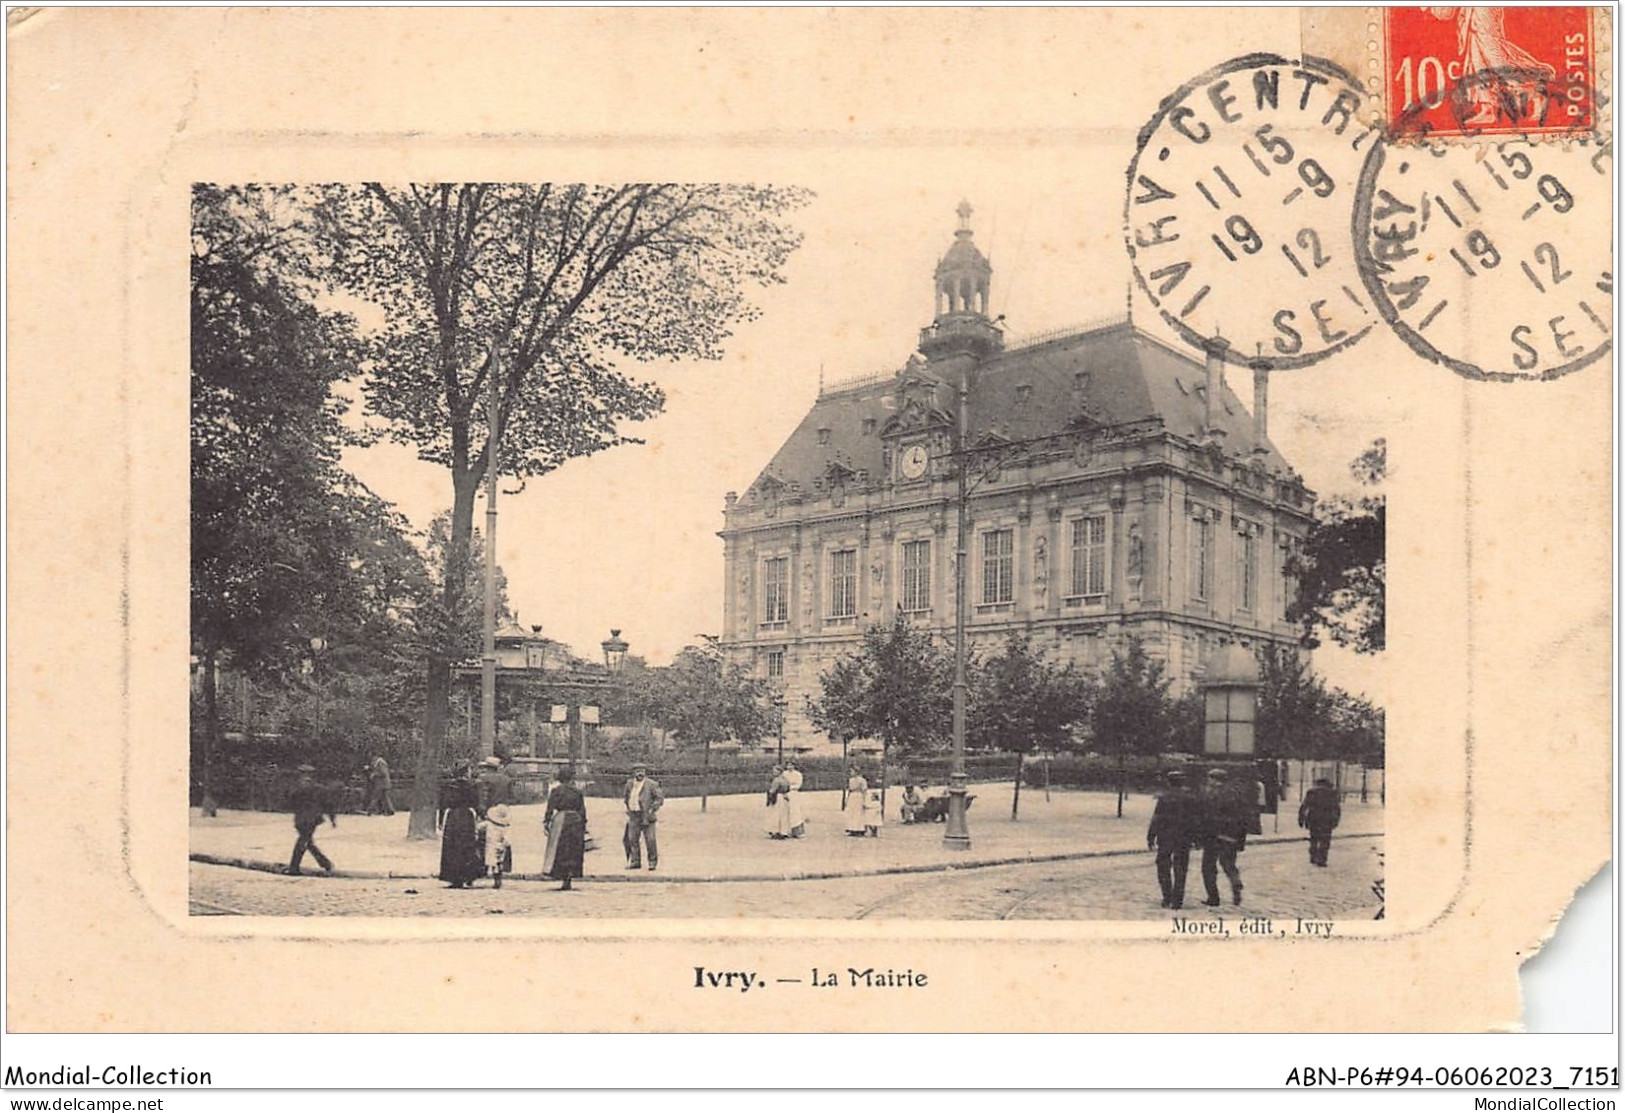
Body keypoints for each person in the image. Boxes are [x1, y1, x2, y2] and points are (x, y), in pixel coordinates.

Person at [1146, 769, 1198, 909]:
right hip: (1184, 838)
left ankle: (1166, 896)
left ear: (1169, 782)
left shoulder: (1164, 798)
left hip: (1166, 837)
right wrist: (1196, 838)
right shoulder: (1190, 798)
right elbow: (1195, 820)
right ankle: (1177, 900)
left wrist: (1151, 836)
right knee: (1181, 868)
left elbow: (1156, 818)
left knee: (1163, 866)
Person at [1197, 767, 1249, 907]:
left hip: (1213, 836)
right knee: (1229, 864)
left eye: (1210, 779)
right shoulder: (1237, 794)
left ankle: (1213, 898)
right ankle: (1235, 881)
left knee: (1208, 867)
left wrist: (1200, 836)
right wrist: (1241, 840)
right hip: (1231, 837)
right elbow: (1244, 818)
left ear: (1214, 780)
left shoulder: (1211, 795)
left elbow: (1205, 817)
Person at [437, 766, 484, 889]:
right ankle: (468, 876)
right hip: (466, 818)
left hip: (452, 818)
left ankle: (453, 877)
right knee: (467, 846)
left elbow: (442, 804)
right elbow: (476, 803)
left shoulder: (448, 786)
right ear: (466, 773)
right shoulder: (471, 786)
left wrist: (441, 820)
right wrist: (481, 816)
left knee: (452, 847)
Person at [543, 765, 588, 890]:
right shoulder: (577, 791)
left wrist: (546, 822)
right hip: (575, 820)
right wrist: (583, 824)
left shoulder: (556, 791)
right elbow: (582, 809)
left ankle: (561, 876)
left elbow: (550, 808)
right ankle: (569, 876)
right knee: (573, 849)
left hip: (561, 819)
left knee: (560, 848)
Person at [287, 765, 336, 876]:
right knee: (306, 842)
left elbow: (289, 803)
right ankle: (324, 863)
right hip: (312, 819)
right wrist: (332, 819)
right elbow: (328, 804)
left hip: (301, 819)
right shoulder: (318, 788)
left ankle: (295, 867)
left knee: (304, 841)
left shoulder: (296, 788)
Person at [622, 762, 663, 871]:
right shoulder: (629, 784)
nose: (640, 773)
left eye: (642, 771)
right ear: (633, 772)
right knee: (632, 839)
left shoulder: (652, 784)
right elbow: (626, 797)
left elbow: (659, 799)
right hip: (634, 815)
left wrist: (652, 809)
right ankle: (635, 862)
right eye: (637, 771)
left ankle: (652, 862)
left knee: (650, 840)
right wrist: (628, 808)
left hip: (647, 816)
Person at [1298, 776, 1343, 867]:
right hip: (1327, 820)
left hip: (1313, 819)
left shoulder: (1311, 792)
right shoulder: (1332, 793)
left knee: (1314, 839)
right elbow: (1337, 809)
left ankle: (1313, 856)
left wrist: (1301, 819)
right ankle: (1322, 859)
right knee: (1325, 840)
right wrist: (1336, 820)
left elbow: (1304, 806)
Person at [782, 758, 807, 838]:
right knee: (785, 812)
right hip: (785, 794)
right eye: (788, 765)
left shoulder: (798, 774)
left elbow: (798, 785)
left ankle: (797, 831)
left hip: (794, 794)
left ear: (794, 766)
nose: (789, 767)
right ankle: (785, 831)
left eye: (791, 765)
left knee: (795, 812)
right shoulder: (784, 774)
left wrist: (790, 787)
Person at [765, 765, 790, 839]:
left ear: (779, 771)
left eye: (775, 771)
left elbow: (772, 790)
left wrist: (769, 799)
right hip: (784, 797)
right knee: (783, 814)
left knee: (775, 814)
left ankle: (775, 831)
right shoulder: (786, 779)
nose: (773, 772)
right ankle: (783, 831)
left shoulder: (776, 780)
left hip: (777, 797)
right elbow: (788, 789)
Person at [844, 766, 868, 836]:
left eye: (852, 771)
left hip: (859, 796)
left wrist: (864, 800)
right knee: (851, 812)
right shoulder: (851, 780)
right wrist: (847, 799)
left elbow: (864, 790)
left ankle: (859, 829)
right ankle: (852, 828)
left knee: (858, 812)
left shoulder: (862, 780)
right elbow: (849, 790)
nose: (851, 773)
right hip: (852, 796)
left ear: (856, 772)